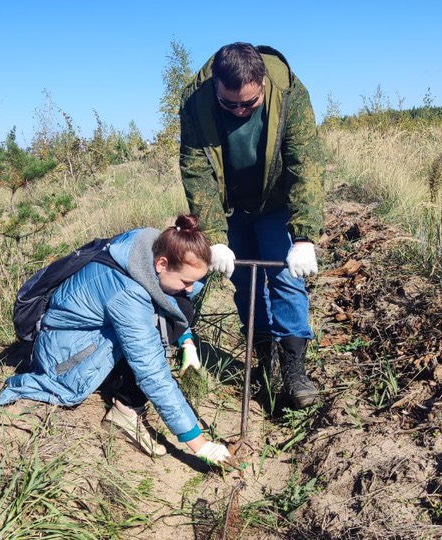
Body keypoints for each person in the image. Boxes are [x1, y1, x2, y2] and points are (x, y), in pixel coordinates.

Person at [0, 215, 232, 467]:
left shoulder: (147, 245)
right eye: (187, 281)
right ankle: (126, 411)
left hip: (85, 330)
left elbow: (172, 303)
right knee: (147, 351)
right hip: (65, 355)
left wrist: (186, 341)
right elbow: (151, 371)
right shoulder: (127, 294)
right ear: (162, 264)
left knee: (176, 312)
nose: (190, 288)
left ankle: (119, 388)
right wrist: (199, 444)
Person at [179, 42, 324, 408]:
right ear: (215, 87)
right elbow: (196, 171)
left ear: (262, 83)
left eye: (250, 103)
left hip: (274, 203)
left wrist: (305, 235)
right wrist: (213, 237)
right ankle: (262, 360)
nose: (241, 111)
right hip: (231, 207)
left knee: (285, 278)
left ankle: (294, 369)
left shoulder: (290, 92)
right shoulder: (195, 102)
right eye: (231, 104)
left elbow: (304, 163)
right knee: (243, 281)